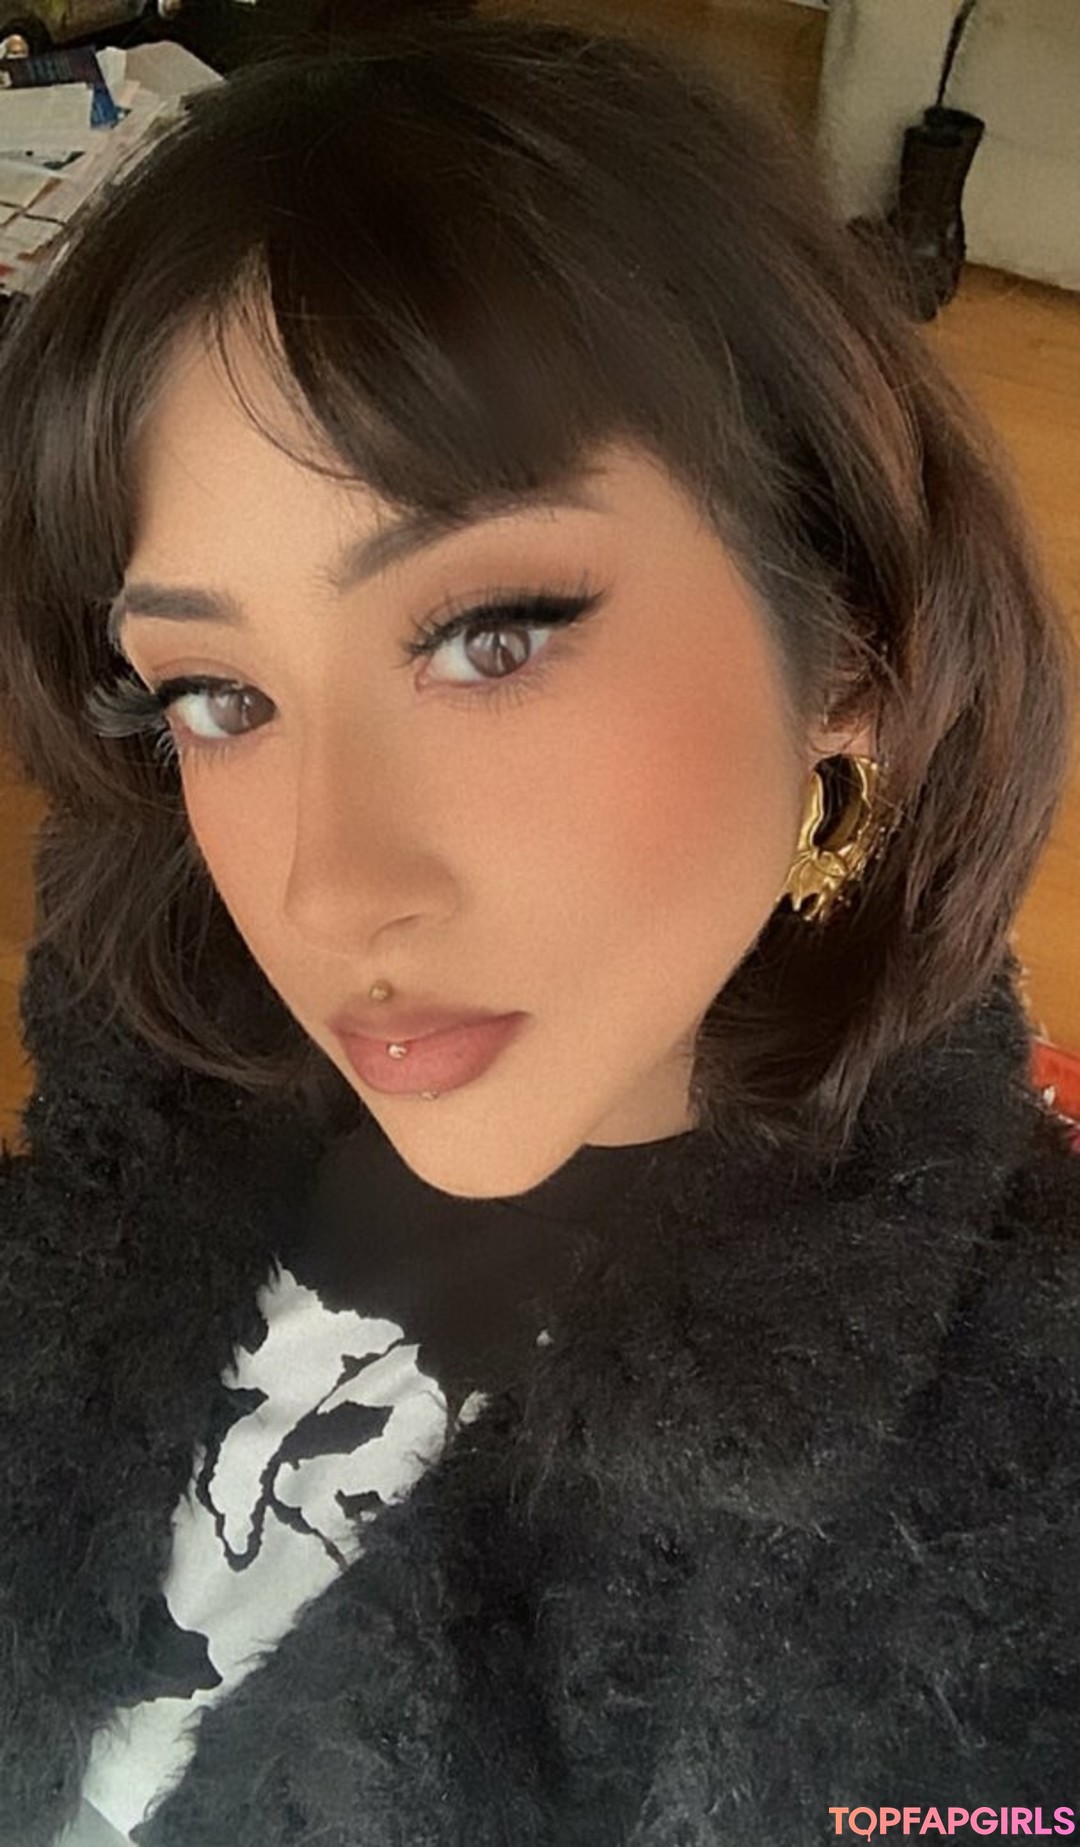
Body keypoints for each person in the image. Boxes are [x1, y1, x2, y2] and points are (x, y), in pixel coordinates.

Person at [0, 12, 1077, 1845]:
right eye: (218, 696)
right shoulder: (151, 1077)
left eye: (490, 637)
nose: (328, 890)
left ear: (851, 648)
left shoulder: (1019, 1468)